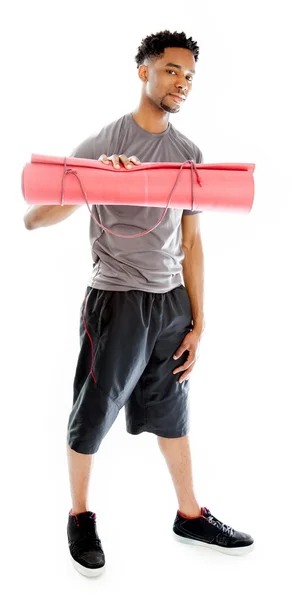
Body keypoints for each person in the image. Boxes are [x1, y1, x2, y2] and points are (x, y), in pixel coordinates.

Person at [24, 30, 254, 578]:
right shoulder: (102, 142)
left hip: (170, 306)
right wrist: (98, 180)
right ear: (144, 72)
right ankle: (80, 516)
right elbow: (34, 217)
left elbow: (192, 243)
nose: (182, 83)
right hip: (116, 301)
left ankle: (190, 514)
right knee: (92, 412)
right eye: (172, 70)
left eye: (190, 75)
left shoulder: (188, 154)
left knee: (173, 413)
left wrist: (199, 321)